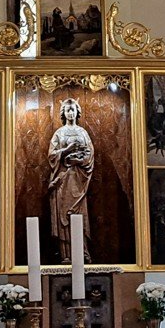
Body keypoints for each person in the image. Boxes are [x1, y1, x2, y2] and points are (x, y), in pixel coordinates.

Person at [46, 98, 93, 242]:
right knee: (64, 212)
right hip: (64, 179)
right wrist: (67, 150)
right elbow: (51, 155)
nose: (71, 113)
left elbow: (90, 154)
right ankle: (65, 250)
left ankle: (82, 248)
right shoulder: (59, 133)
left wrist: (79, 160)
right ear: (63, 113)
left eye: (73, 110)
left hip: (79, 180)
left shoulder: (83, 133)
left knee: (79, 213)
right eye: (68, 110)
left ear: (77, 112)